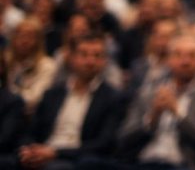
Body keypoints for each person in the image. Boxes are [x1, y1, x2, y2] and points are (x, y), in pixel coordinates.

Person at [117, 33, 195, 169]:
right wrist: (152, 117)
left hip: (183, 164)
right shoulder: (148, 93)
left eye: (193, 56)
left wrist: (178, 113)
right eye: (178, 55)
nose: (185, 62)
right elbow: (124, 138)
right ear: (168, 60)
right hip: (144, 161)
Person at [17, 34, 122, 169]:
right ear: (71, 58)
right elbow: (31, 130)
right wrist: (29, 150)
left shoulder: (111, 97)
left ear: (104, 61)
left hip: (76, 159)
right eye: (84, 55)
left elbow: (104, 143)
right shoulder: (53, 93)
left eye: (97, 56)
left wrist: (55, 153)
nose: (90, 61)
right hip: (43, 151)